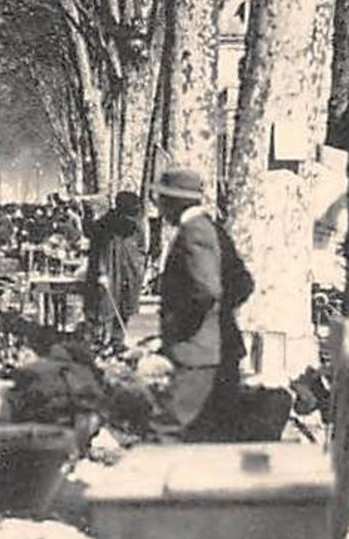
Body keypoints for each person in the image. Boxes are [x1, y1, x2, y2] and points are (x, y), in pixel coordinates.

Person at [147, 166, 254, 441]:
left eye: (162, 201)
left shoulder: (194, 233)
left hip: (198, 354)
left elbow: (206, 290)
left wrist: (180, 325)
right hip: (218, 349)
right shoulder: (212, 229)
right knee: (212, 434)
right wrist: (220, 318)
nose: (160, 208)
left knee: (168, 430)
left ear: (174, 202)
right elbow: (243, 284)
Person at [85, 191, 147, 347]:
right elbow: (96, 251)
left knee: (126, 306)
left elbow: (141, 249)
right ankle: (99, 342)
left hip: (130, 274)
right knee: (104, 307)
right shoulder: (104, 225)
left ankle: (117, 341)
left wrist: (140, 268)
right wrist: (101, 271)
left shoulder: (136, 227)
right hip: (109, 272)